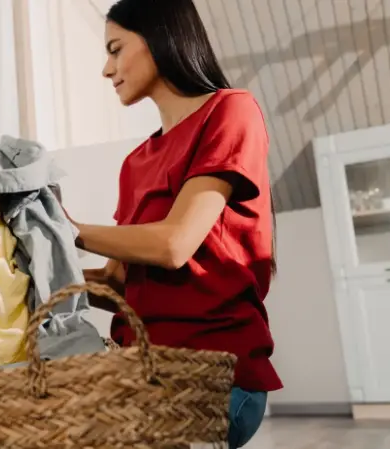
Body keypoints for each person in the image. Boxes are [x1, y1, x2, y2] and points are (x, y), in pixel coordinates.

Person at [62, 0, 283, 447]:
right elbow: (119, 285)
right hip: (143, 371)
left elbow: (174, 245)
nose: (108, 69)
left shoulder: (230, 111)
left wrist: (67, 230)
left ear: (160, 39)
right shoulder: (135, 163)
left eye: (115, 48)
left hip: (213, 378)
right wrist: (37, 273)